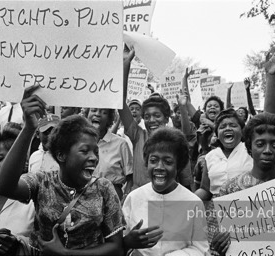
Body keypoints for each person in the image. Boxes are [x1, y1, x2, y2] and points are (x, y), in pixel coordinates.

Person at [0, 85, 125, 255]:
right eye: (84, 150)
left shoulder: (104, 188)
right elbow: (4, 186)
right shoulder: (42, 182)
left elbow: (116, 247)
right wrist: (28, 129)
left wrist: (66, 254)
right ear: (62, 155)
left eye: (95, 151)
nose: (94, 157)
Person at [122, 127, 209, 256]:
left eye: (168, 162)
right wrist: (128, 244)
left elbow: (201, 249)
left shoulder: (193, 203)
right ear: (146, 162)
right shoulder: (134, 198)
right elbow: (121, 241)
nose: (159, 167)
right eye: (153, 160)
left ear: (178, 166)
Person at [211, 113, 275, 255]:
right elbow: (214, 240)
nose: (267, 150)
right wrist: (219, 241)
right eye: (260, 144)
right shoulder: (230, 189)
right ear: (249, 147)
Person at [119, 49, 192, 190]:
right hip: (139, 201)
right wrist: (126, 63)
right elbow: (120, 102)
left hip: (166, 203)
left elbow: (187, 183)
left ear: (166, 118)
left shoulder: (175, 141)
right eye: (146, 117)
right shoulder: (138, 135)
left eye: (157, 116)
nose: (151, 120)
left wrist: (183, 108)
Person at [194, 109, 253, 201]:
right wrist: (190, 200)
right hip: (219, 210)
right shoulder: (210, 156)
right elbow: (205, 189)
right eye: (222, 127)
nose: (228, 128)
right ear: (217, 134)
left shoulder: (251, 151)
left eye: (233, 125)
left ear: (242, 132)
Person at [86, 107, 134, 200]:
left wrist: (125, 198)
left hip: (112, 199)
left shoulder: (120, 144)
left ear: (109, 119)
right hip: (85, 199)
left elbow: (130, 177)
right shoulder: (79, 142)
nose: (97, 114)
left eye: (104, 112)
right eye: (93, 110)